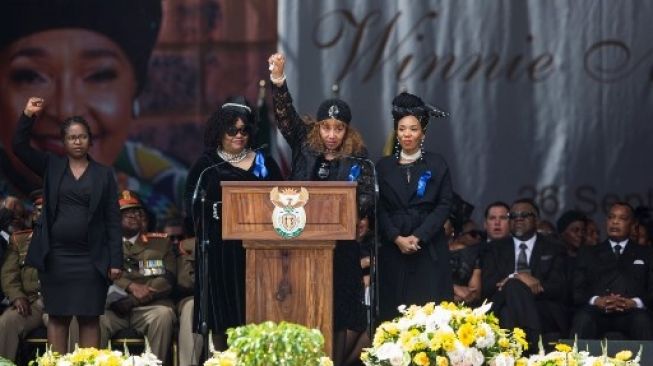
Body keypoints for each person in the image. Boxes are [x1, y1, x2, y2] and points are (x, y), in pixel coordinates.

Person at [0, 0, 186, 222]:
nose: (66, 110)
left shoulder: (183, 198)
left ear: (134, 89)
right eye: (30, 77)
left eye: (99, 75)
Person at [269, 53, 372, 365]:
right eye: (326, 127)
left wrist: (359, 212)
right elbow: (285, 115)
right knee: (305, 303)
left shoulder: (359, 157)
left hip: (341, 248)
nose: (331, 135)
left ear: (346, 131)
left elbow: (367, 193)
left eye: (338, 129)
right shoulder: (304, 143)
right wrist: (278, 80)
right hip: (302, 242)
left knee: (339, 311)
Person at [11, 97, 122, 353]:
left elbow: (112, 219)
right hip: (56, 257)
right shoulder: (51, 165)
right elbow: (18, 147)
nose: (77, 142)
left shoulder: (103, 174)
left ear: (90, 140)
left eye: (82, 137)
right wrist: (28, 115)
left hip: (91, 259)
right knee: (58, 316)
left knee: (89, 317)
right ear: (64, 141)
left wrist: (115, 261)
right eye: (72, 137)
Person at [184, 96, 282, 349]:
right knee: (223, 319)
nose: (239, 135)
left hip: (259, 251)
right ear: (219, 132)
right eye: (232, 130)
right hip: (220, 250)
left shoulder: (264, 163)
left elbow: (284, 201)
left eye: (244, 130)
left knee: (259, 315)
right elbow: (191, 207)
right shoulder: (206, 166)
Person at [375, 91, 453, 323]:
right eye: (401, 129)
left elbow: (444, 204)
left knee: (430, 313)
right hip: (393, 248)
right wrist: (396, 237)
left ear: (423, 132)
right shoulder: (383, 166)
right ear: (396, 132)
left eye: (413, 129)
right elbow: (378, 208)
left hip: (428, 247)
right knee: (395, 313)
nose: (407, 134)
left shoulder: (437, 163)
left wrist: (419, 236)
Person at [101, 190, 176, 362]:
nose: (133, 215)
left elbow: (168, 278)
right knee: (92, 318)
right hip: (111, 308)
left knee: (163, 315)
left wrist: (133, 300)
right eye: (126, 212)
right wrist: (130, 286)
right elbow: (99, 273)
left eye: (136, 211)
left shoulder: (161, 243)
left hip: (150, 307)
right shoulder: (101, 244)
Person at [481, 199, 567, 349]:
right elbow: (487, 287)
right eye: (513, 216)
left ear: (537, 220)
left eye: (525, 214)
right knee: (513, 287)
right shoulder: (494, 248)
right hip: (504, 302)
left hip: (541, 306)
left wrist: (537, 285)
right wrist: (516, 278)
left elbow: (561, 287)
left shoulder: (554, 248)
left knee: (508, 314)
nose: (518, 218)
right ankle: (533, 343)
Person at [570, 202, 653, 340]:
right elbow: (577, 291)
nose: (615, 222)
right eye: (611, 217)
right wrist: (596, 300)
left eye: (622, 219)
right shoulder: (588, 253)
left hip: (633, 312)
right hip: (597, 311)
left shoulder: (646, 254)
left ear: (633, 225)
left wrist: (635, 302)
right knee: (583, 318)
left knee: (643, 320)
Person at [0, 192, 44, 361]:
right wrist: (17, 296)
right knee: (7, 321)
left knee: (76, 323)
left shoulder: (70, 239)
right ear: (33, 215)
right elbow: (9, 274)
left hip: (61, 303)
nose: (42, 215)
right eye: (39, 211)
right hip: (31, 303)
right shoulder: (20, 240)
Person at [176, 237, 202, 366]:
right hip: (194, 295)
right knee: (192, 306)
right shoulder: (189, 244)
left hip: (227, 297)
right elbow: (184, 281)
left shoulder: (233, 241)